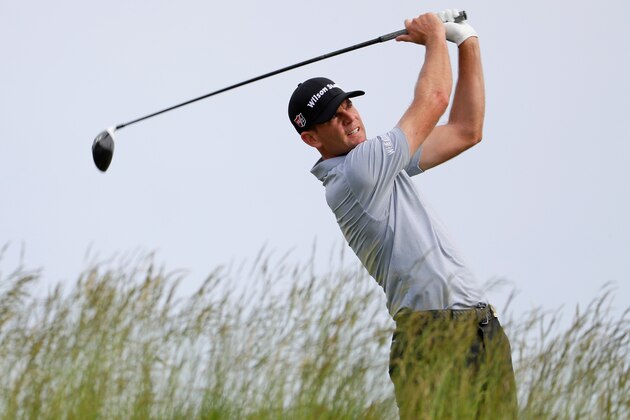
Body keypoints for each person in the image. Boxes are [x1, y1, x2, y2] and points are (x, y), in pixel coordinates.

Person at [287, 9, 517, 419]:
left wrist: (467, 42)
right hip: (435, 337)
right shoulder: (359, 172)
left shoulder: (378, 163)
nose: (348, 117)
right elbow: (434, 100)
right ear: (311, 137)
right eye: (332, 117)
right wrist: (433, 37)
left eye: (347, 106)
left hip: (480, 329)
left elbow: (467, 128)